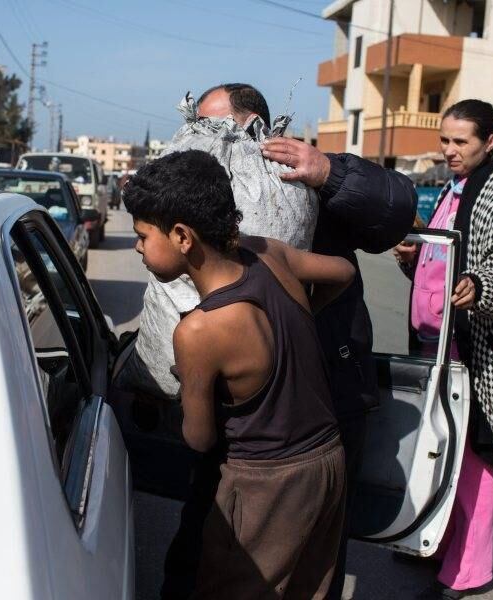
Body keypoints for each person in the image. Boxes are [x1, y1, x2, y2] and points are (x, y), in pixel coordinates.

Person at [157, 82, 415, 599]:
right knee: (209, 540)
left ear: (252, 125)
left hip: (321, 403)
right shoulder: (203, 189)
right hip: (242, 417)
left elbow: (395, 209)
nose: (204, 138)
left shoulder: (298, 175)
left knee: (312, 561)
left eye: (215, 126)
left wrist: (330, 173)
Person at [124, 149, 356, 599]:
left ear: (181, 236)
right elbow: (343, 271)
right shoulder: (266, 253)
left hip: (265, 488)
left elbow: (200, 440)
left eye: (141, 236)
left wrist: (195, 385)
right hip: (327, 464)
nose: (136, 247)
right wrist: (303, 315)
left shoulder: (199, 331)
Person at [393, 99, 493, 599]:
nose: (450, 151)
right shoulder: (454, 187)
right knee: (439, 452)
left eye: (461, 142)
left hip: (480, 351)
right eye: (444, 140)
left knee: (473, 459)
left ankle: (468, 571)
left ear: (489, 142)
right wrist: (415, 256)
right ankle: (435, 543)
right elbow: (443, 259)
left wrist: (479, 285)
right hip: (441, 346)